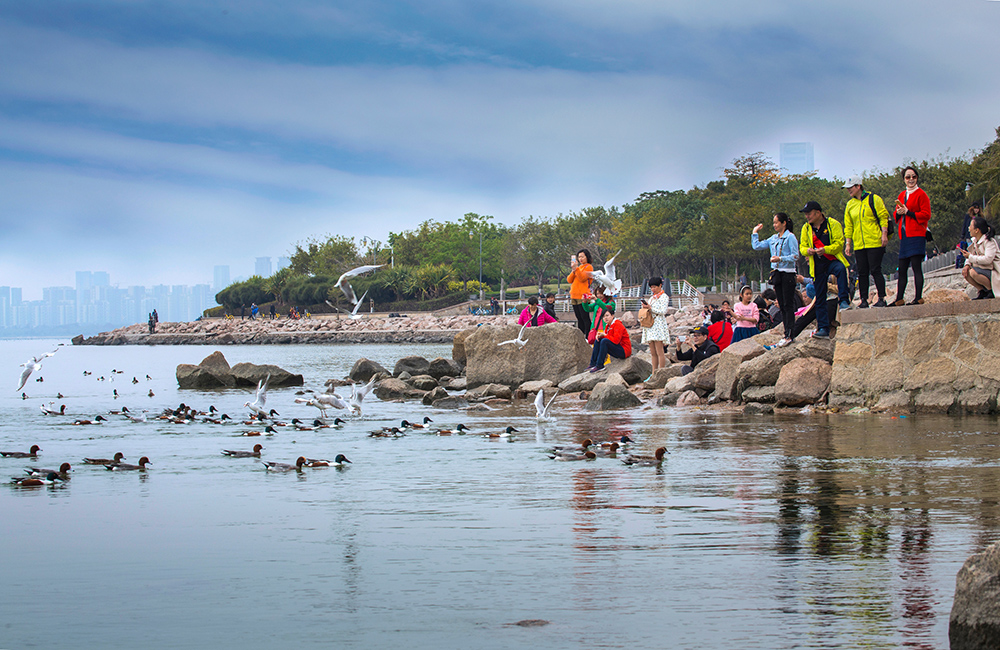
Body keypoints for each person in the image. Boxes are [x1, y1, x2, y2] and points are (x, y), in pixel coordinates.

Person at [799, 201, 849, 339]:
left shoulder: (833, 224)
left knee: (840, 270)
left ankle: (844, 300)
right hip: (817, 265)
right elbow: (802, 246)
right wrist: (807, 251)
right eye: (806, 214)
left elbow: (839, 243)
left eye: (809, 213)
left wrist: (825, 249)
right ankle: (823, 328)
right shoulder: (806, 228)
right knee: (820, 297)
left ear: (818, 213)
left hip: (831, 260)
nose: (807, 216)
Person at [842, 175, 890, 308]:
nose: (849, 190)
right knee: (862, 272)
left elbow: (883, 216)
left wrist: (884, 234)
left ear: (858, 186)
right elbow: (849, 225)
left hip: (874, 241)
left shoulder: (874, 199)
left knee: (875, 270)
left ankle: (881, 297)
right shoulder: (850, 204)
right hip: (859, 244)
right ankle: (863, 299)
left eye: (850, 188)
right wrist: (848, 243)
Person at [752, 212, 799, 346]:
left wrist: (781, 259)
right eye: (773, 223)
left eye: (776, 222)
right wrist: (755, 232)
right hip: (777, 273)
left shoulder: (790, 237)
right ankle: (786, 333)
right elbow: (757, 246)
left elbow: (795, 256)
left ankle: (790, 333)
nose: (774, 225)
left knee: (788, 304)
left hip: (788, 273)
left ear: (784, 223)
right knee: (781, 304)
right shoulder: (773, 238)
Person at [891, 166, 932, 306]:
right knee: (902, 267)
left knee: (916, 267)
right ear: (904, 179)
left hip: (916, 234)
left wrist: (909, 212)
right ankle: (899, 298)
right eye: (908, 177)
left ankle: (918, 297)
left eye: (913, 176)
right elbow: (896, 214)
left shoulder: (921, 194)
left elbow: (926, 214)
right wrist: (900, 212)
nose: (911, 179)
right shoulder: (902, 195)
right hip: (905, 235)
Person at [789, 276, 840, 340]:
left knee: (826, 313)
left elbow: (842, 289)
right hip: (821, 298)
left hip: (834, 299)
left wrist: (823, 284)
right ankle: (790, 336)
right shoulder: (819, 270)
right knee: (805, 317)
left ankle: (824, 330)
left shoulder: (839, 269)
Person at [963, 215, 1000, 300]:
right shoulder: (975, 241)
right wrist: (967, 265)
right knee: (967, 272)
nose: (968, 228)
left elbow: (988, 259)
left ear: (977, 230)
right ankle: (982, 291)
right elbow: (970, 256)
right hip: (983, 269)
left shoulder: (989, 242)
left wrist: (970, 257)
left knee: (973, 272)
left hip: (993, 271)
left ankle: (990, 290)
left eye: (970, 226)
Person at [640, 276, 671, 377]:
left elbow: (663, 311)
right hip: (650, 325)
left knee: (659, 351)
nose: (653, 289)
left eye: (655, 287)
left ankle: (661, 372)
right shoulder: (652, 298)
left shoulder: (664, 297)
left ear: (660, 286)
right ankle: (654, 373)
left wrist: (650, 307)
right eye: (651, 287)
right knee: (653, 352)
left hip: (658, 324)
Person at [587, 304, 631, 372]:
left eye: (607, 315)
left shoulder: (617, 324)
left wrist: (604, 335)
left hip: (624, 350)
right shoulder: (608, 326)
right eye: (604, 317)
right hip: (617, 348)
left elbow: (616, 340)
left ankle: (600, 365)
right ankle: (593, 363)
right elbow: (608, 337)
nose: (605, 318)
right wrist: (599, 336)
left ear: (612, 316)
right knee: (598, 340)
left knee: (604, 341)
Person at [567, 249, 594, 335]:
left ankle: (588, 336)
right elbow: (569, 279)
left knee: (585, 317)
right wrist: (573, 269)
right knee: (579, 317)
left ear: (587, 257)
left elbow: (582, 278)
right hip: (574, 295)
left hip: (583, 296)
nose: (580, 258)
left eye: (582, 256)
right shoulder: (577, 268)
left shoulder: (588, 267)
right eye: (579, 257)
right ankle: (581, 335)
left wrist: (576, 269)